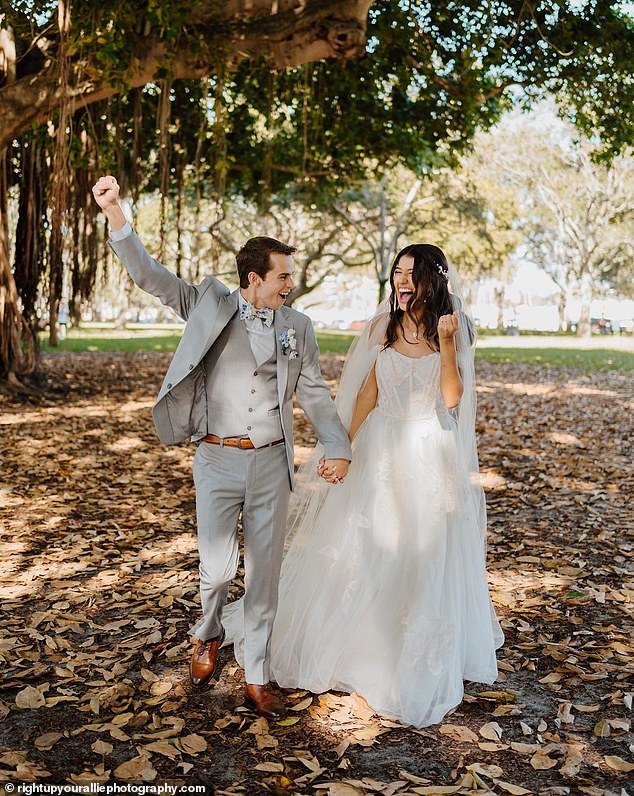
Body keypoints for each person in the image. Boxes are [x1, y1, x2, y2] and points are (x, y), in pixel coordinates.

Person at [91, 175, 352, 719]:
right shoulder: (208, 302)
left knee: (265, 575)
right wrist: (116, 212)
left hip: (271, 462)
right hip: (216, 458)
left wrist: (336, 444)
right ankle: (208, 632)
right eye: (283, 277)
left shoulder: (297, 326)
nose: (290, 286)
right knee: (217, 572)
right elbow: (150, 277)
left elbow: (314, 392)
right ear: (254, 278)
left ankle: (257, 672)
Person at [224, 243, 504, 728]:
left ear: (432, 280)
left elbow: (452, 399)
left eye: (411, 274)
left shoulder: (454, 327)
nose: (400, 281)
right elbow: (369, 392)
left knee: (423, 553)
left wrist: (449, 345)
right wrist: (343, 447)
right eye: (396, 272)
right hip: (381, 448)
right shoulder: (383, 326)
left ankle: (411, 649)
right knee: (369, 545)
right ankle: (360, 640)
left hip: (429, 452)